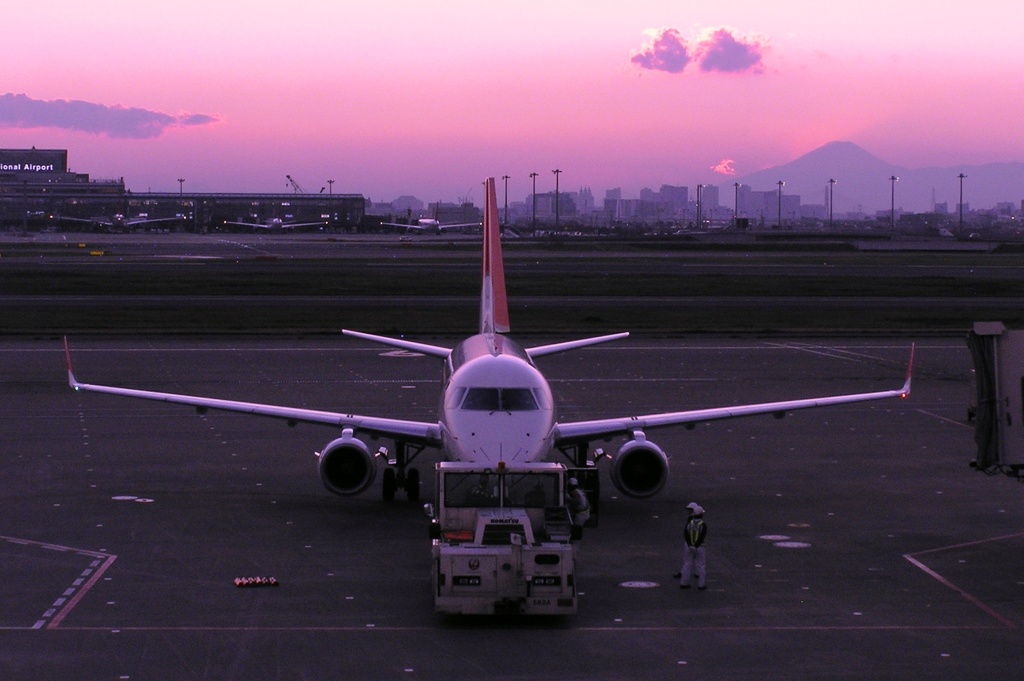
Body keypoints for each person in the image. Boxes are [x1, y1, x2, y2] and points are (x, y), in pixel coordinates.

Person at [676, 502, 707, 590]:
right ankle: (701, 585)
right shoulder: (702, 524)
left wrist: (690, 544)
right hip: (700, 546)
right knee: (701, 565)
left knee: (687, 564)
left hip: (688, 546)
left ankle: (684, 583)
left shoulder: (690, 523)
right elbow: (702, 536)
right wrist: (696, 545)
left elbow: (686, 533)